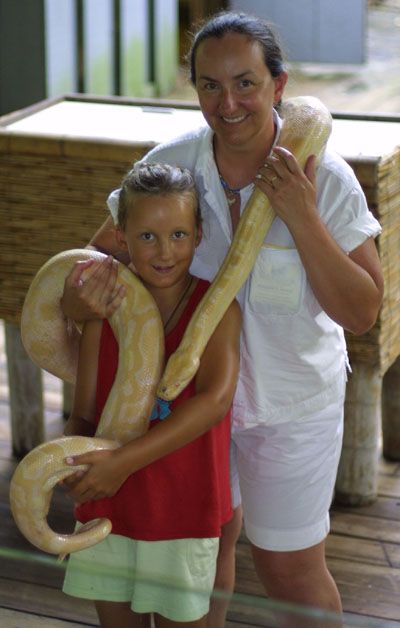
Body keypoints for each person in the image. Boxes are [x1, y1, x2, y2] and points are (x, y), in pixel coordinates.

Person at [61, 10, 384, 622]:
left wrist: (302, 215)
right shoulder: (173, 164)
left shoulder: (327, 180)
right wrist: (79, 301)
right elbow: (98, 262)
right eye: (209, 85)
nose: (227, 102)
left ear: (278, 86)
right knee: (207, 556)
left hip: (291, 407)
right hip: (185, 405)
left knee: (290, 568)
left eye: (245, 82)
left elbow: (363, 312)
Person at [61, 162, 241, 628]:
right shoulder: (104, 312)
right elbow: (83, 413)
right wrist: (68, 464)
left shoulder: (215, 308)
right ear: (121, 237)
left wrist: (121, 462)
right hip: (109, 514)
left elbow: (213, 403)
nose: (165, 252)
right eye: (147, 237)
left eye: (179, 235)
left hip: (183, 513)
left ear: (199, 234)